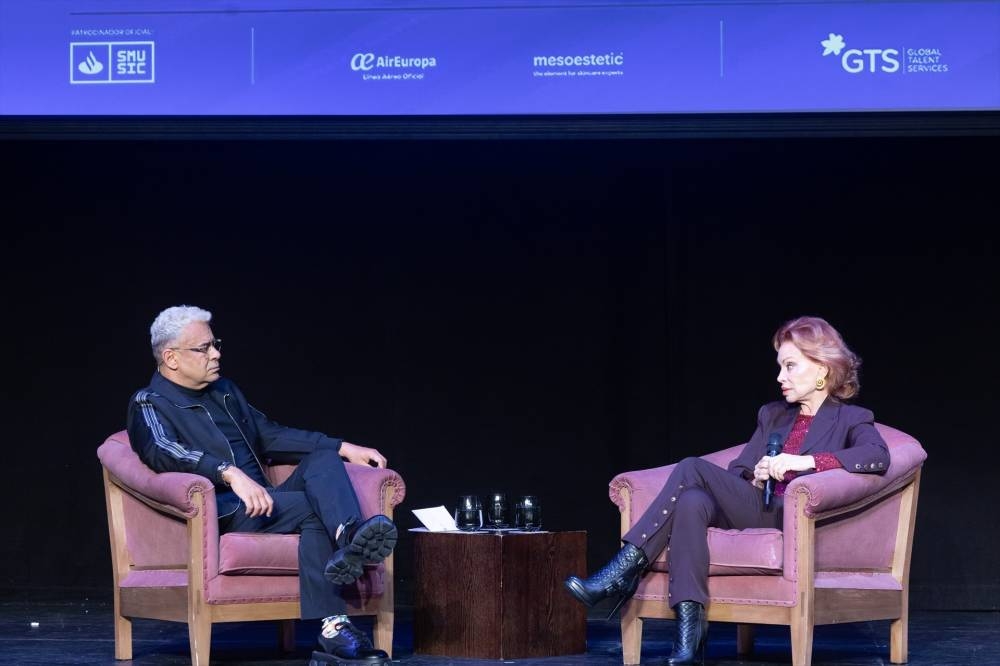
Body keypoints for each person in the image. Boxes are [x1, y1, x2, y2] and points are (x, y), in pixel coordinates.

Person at [564, 316, 890, 664]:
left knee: (691, 469)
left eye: (790, 366)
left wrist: (804, 463)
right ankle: (689, 633)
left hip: (796, 519)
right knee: (692, 500)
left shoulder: (851, 418)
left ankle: (621, 572)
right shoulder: (773, 415)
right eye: (779, 366)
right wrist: (758, 475)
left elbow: (876, 456)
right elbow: (738, 470)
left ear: (822, 367)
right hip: (757, 505)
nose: (780, 377)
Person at [127, 305, 397, 665]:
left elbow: (270, 435)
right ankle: (335, 626)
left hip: (268, 504)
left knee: (322, 459)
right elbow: (163, 451)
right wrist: (228, 472)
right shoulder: (150, 403)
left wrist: (344, 447)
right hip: (227, 509)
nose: (216, 354)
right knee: (315, 509)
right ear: (171, 357)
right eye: (204, 348)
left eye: (215, 344)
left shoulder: (224, 391)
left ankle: (349, 538)